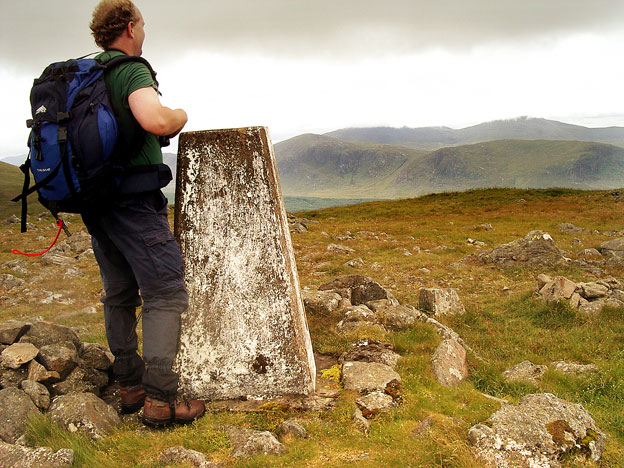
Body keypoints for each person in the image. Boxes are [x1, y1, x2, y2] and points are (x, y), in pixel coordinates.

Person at [86, 0, 204, 427]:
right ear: (131, 27)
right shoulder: (129, 69)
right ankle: (160, 400)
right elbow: (155, 121)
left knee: (118, 294)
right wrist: (180, 115)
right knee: (165, 293)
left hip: (96, 206)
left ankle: (129, 385)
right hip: (133, 203)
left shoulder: (87, 73)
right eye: (142, 24)